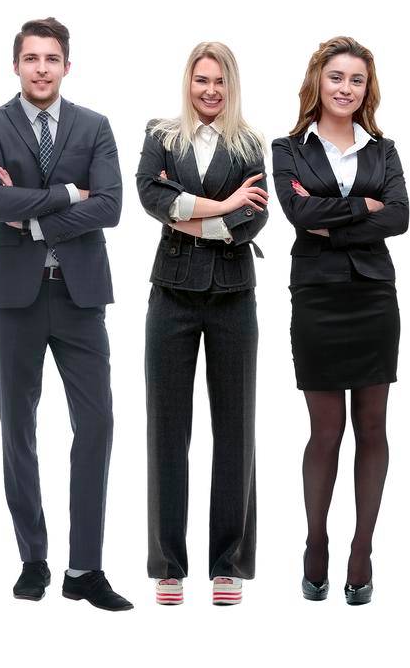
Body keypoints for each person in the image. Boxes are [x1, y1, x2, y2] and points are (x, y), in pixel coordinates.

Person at [0, 17, 131, 611]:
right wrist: (70, 194)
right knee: (19, 426)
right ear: (16, 64)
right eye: (32, 58)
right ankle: (33, 560)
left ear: (68, 65)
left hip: (80, 296)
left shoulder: (95, 127)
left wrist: (33, 217)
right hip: (13, 298)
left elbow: (112, 206)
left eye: (52, 59)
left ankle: (84, 568)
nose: (42, 68)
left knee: (97, 424)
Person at [271, 36, 407, 607]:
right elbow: (299, 214)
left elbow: (400, 217)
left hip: (374, 298)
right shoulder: (287, 149)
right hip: (319, 300)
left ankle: (362, 548)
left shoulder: (384, 149)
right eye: (336, 78)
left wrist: (336, 219)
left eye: (356, 80)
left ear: (365, 89)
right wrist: (363, 209)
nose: (345, 88)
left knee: (372, 427)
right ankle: (316, 539)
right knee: (325, 430)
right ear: (317, 83)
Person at [134, 42, 268, 607]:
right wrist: (220, 203)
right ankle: (169, 562)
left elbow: (254, 215)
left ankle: (228, 562)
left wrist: (186, 213)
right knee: (167, 430)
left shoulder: (251, 143)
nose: (209, 91)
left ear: (230, 85)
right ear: (187, 82)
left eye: (218, 81)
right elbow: (148, 193)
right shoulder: (161, 135)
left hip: (234, 296)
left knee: (234, 430)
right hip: (171, 296)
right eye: (200, 80)